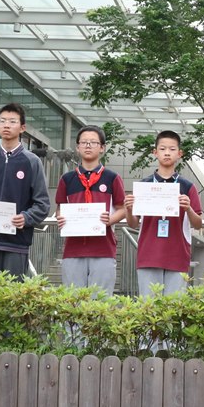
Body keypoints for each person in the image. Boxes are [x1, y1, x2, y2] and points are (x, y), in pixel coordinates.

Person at [0, 103, 50, 276]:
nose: (6, 125)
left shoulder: (32, 162)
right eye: (2, 121)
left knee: (13, 290)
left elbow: (42, 204)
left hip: (16, 243)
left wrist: (26, 217)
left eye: (12, 121)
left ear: (22, 128)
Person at [124, 130, 203, 296]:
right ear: (155, 152)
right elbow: (133, 223)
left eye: (172, 149)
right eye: (162, 149)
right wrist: (129, 209)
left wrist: (188, 208)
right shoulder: (144, 186)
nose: (167, 153)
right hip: (148, 254)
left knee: (174, 307)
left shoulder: (188, 186)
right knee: (149, 307)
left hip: (178, 255)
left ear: (179, 153)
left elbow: (198, 224)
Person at [55, 125, 126, 294]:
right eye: (84, 142)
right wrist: (60, 217)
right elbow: (60, 207)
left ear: (102, 148)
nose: (88, 146)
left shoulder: (112, 178)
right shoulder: (67, 179)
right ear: (77, 147)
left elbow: (122, 208)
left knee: (101, 301)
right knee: (73, 301)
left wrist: (110, 220)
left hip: (103, 248)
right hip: (73, 249)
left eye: (93, 142)